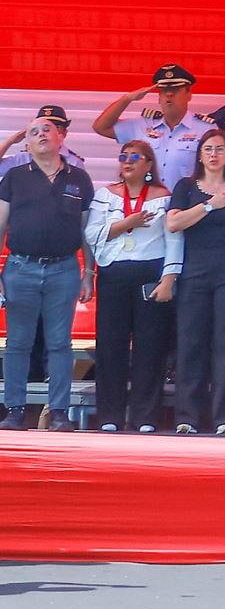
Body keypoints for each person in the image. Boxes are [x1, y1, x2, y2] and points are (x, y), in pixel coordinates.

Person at [0, 116, 95, 432]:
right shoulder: (14, 177)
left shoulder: (78, 178)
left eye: (47, 129)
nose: (41, 134)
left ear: (60, 138)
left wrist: (88, 272)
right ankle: (14, 410)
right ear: (27, 144)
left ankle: (59, 412)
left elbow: (86, 231)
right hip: (21, 268)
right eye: (33, 132)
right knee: (18, 342)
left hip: (63, 269)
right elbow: (0, 225)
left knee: (59, 343)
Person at [84, 140, 180, 433]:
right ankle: (109, 415)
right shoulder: (106, 195)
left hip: (150, 271)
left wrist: (169, 277)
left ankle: (145, 416)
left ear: (148, 164)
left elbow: (174, 239)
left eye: (135, 157)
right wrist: (127, 223)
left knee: (150, 346)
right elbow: (91, 234)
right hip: (114, 273)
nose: (127, 161)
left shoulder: (163, 197)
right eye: (123, 156)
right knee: (110, 345)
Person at [167, 128, 225, 436]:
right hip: (194, 274)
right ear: (200, 156)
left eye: (219, 149)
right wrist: (209, 205)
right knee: (191, 344)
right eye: (208, 149)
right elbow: (174, 223)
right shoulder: (186, 187)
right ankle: (187, 416)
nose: (214, 154)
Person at [93, 64, 213, 185]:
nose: (169, 94)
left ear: (189, 94)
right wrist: (127, 99)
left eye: (175, 90)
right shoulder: (143, 125)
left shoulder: (205, 128)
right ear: (159, 97)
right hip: (147, 196)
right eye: (164, 91)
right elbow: (101, 127)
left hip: (186, 196)